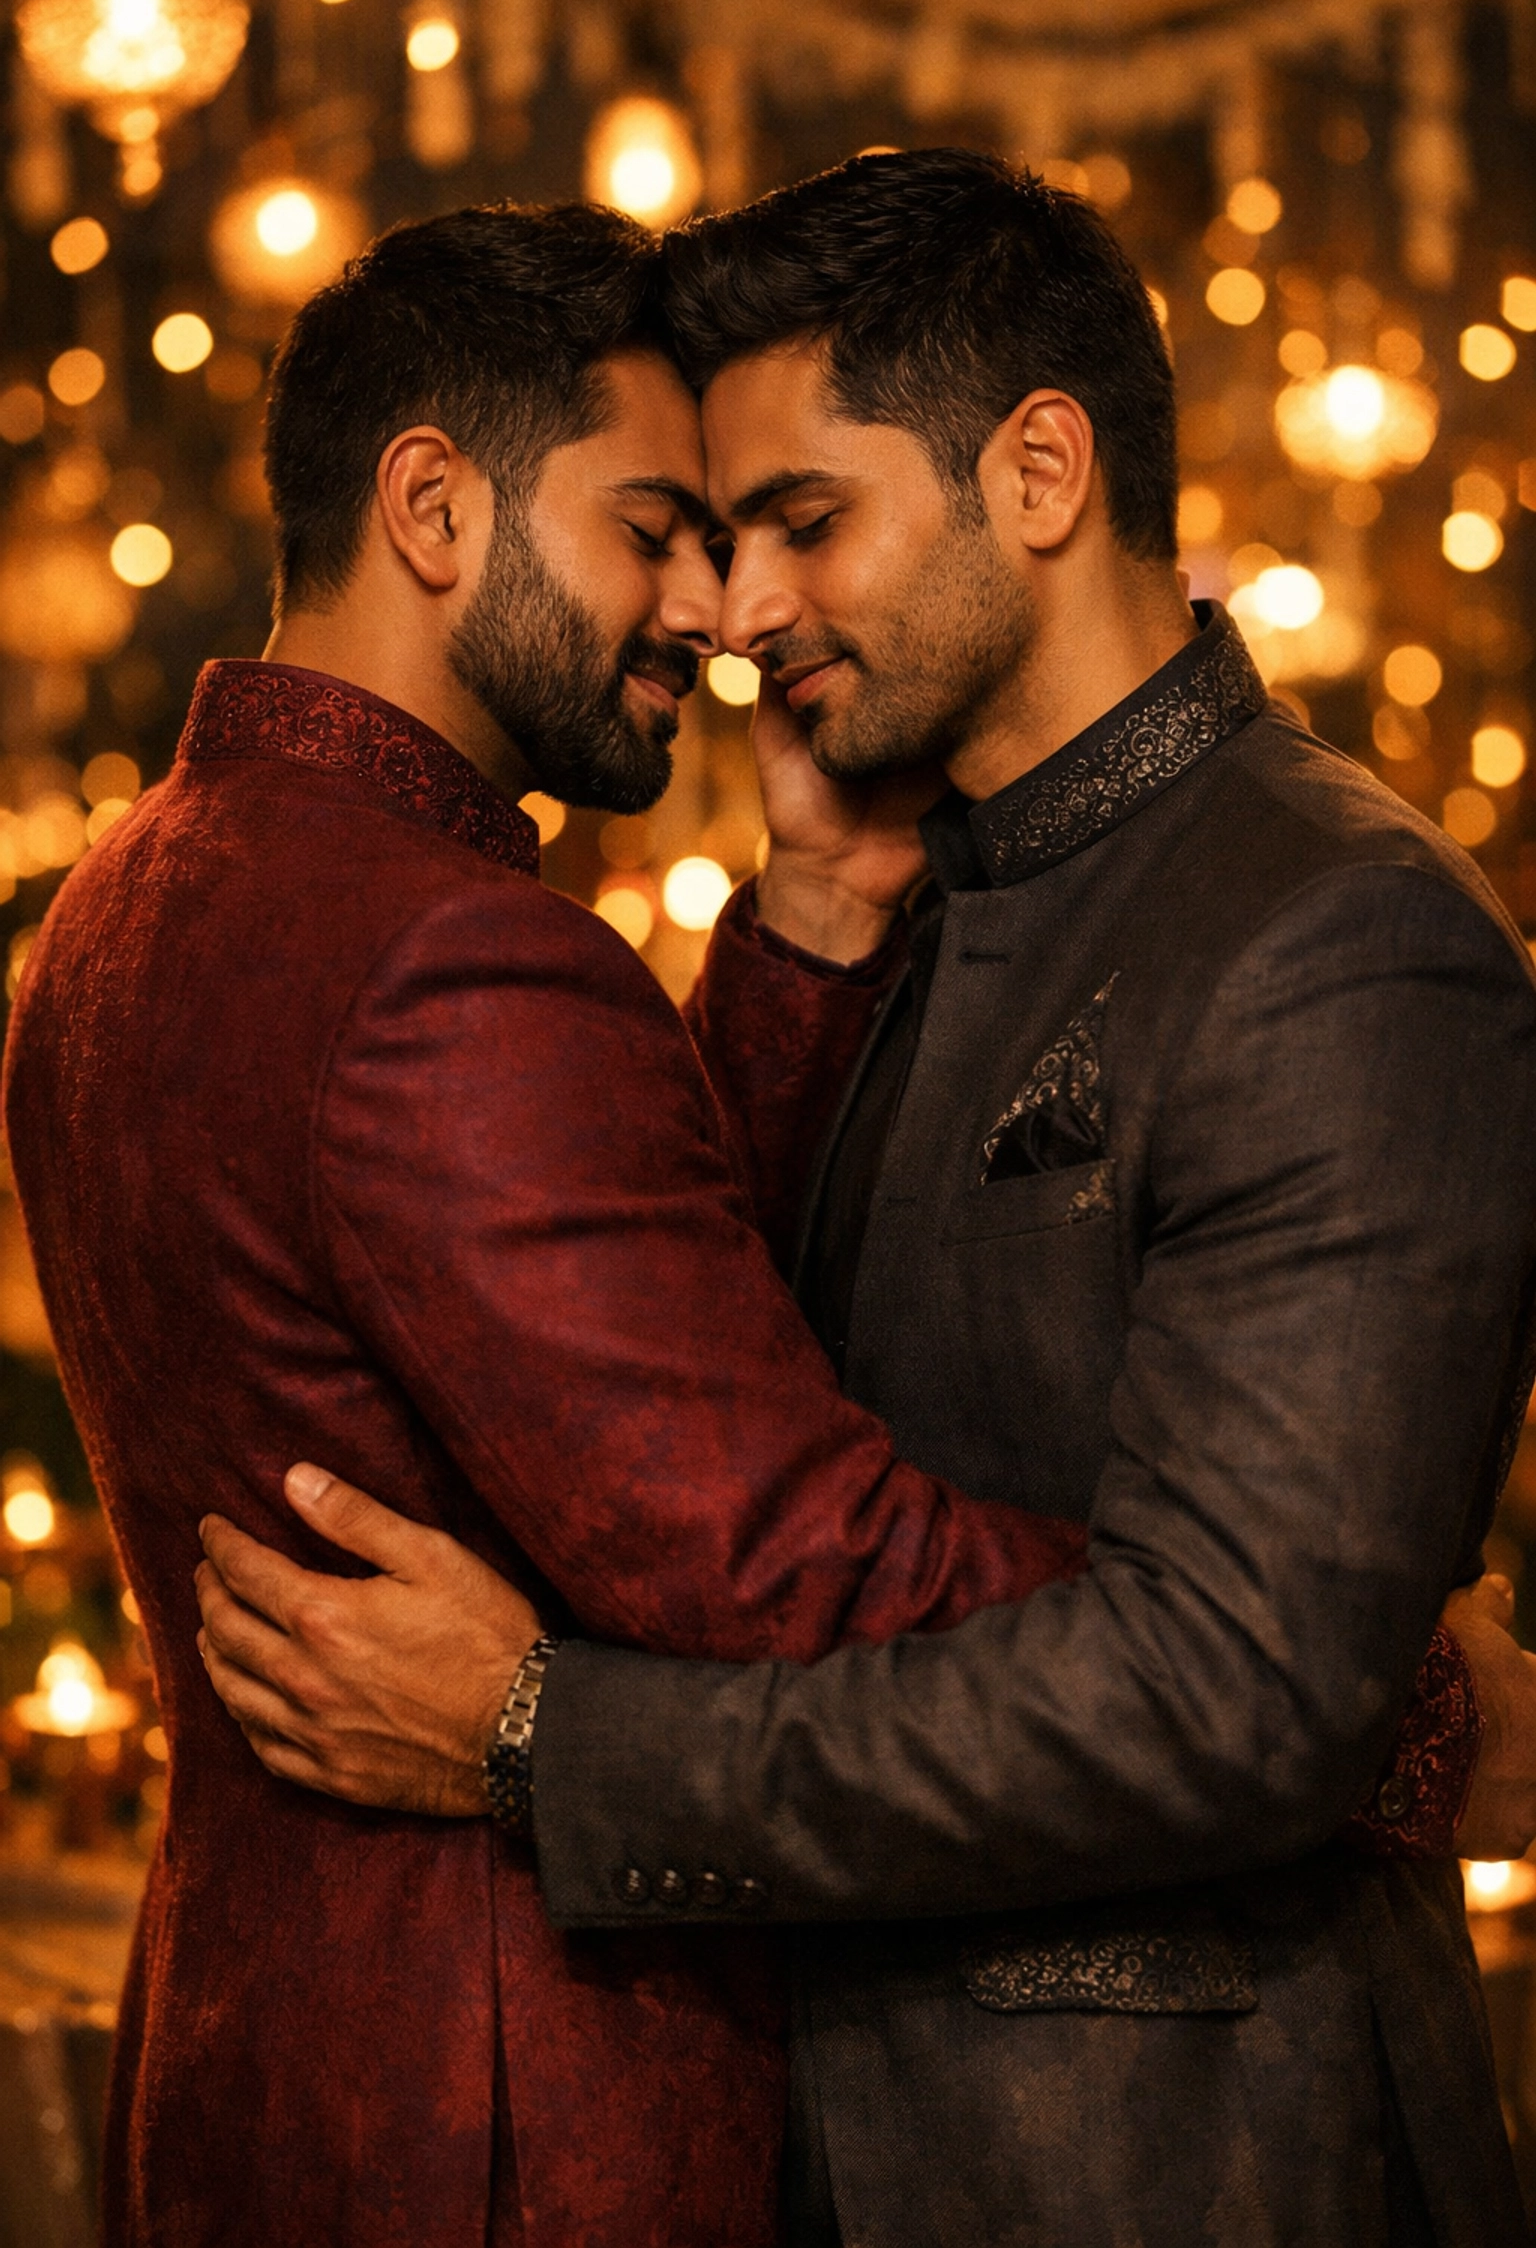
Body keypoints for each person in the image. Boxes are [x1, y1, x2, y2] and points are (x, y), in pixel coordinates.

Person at [197, 152, 1536, 2248]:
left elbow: (1238, 1704)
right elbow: (735, 1384)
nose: (731, 614)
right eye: (711, 543)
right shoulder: (921, 892)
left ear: (1039, 471)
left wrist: (547, 1740)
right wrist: (813, 910)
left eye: (802, 525)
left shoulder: (1331, 933)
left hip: (1175, 2168)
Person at [1, 197, 1152, 2248]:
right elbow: (799, 1569)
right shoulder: (448, 960)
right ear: (435, 506)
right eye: (655, 525)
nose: (717, 613)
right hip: (524, 2108)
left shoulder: (127, 899)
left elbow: (543, 1310)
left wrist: (797, 927)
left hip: (255, 2058)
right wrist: (1327, 1696)